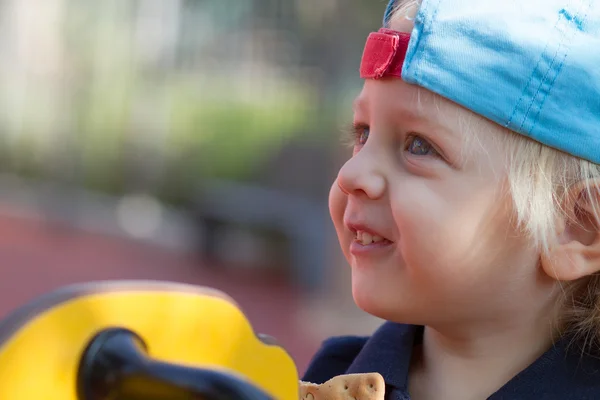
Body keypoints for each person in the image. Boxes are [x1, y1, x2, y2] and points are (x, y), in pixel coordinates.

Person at [301, 0, 600, 399]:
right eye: (362, 133)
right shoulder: (330, 379)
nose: (351, 175)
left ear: (576, 227)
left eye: (419, 146)